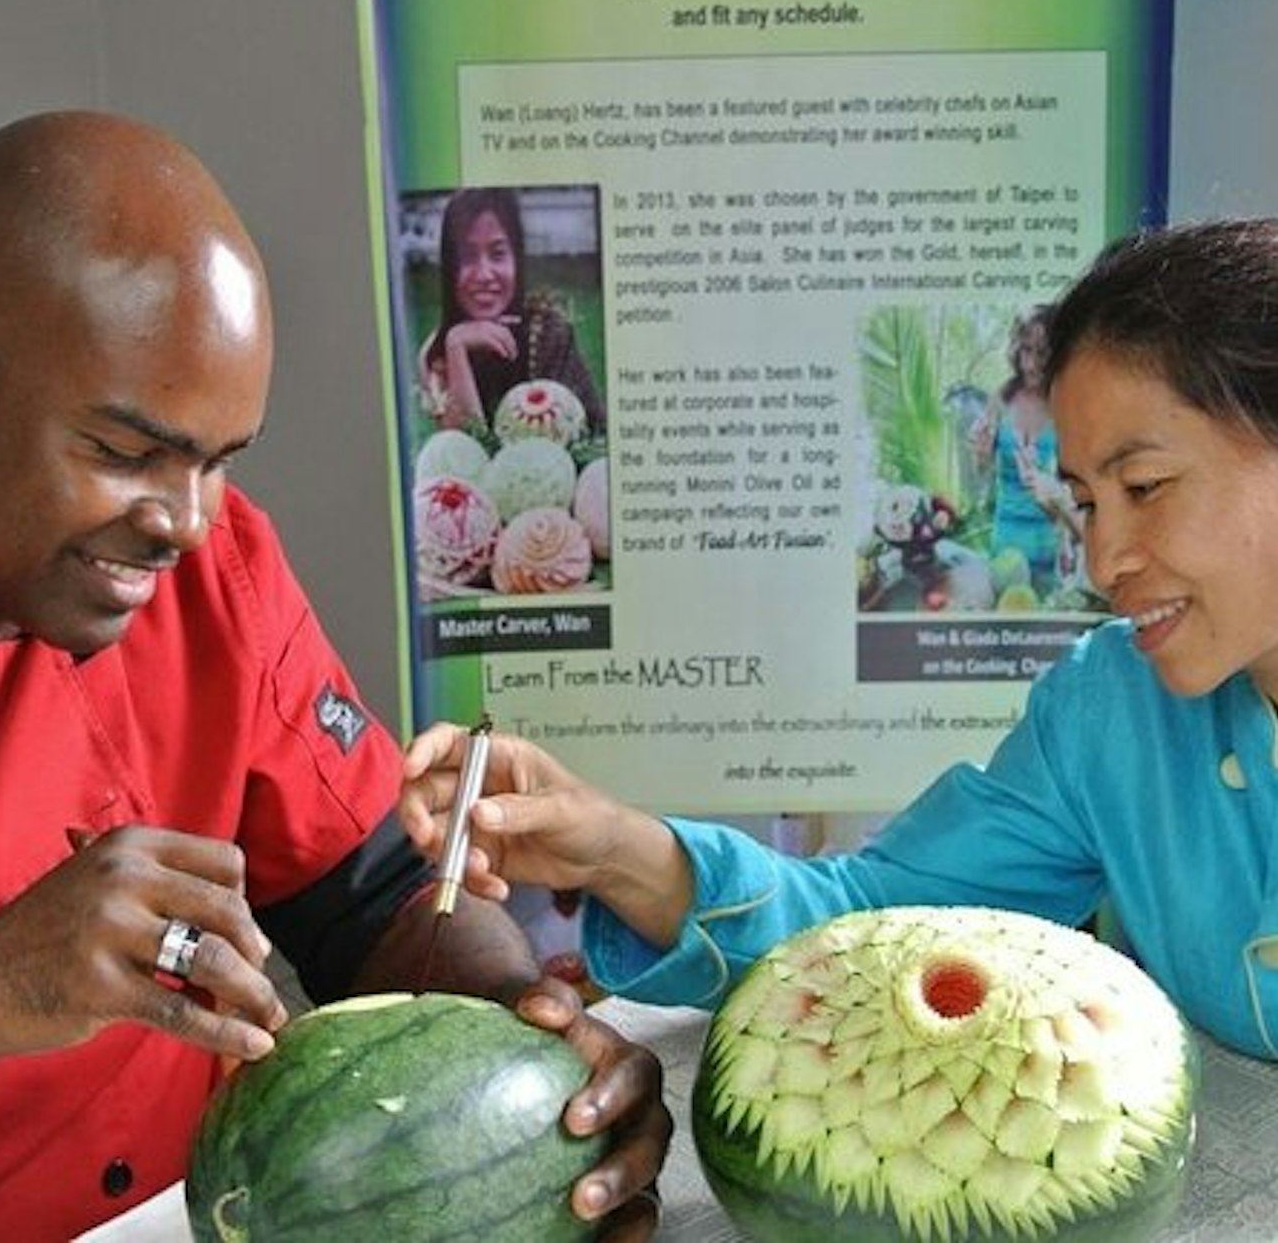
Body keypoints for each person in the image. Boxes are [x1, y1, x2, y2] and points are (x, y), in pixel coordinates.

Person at [0, 111, 666, 1240]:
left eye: (217, 461)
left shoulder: (218, 571)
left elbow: (379, 898)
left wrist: (525, 1042)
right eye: (122, 453)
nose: (187, 523)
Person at [403, 219, 1278, 1063]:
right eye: (1086, 503)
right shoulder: (1110, 710)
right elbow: (876, 923)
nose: (1103, 559)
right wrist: (615, 848)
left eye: (1147, 485)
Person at [417, 186, 606, 433]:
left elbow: (578, 440)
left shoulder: (547, 333)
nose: (484, 275)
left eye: (497, 254)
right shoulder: (435, 354)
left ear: (516, 259)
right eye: (467, 257)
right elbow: (465, 450)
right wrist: (457, 346)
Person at [969, 303, 1081, 593]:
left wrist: (1070, 538)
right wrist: (980, 457)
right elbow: (982, 485)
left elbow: (1079, 489)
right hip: (1006, 541)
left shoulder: (1068, 403)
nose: (1031, 363)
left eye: (1041, 353)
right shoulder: (1001, 399)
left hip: (1052, 543)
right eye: (1025, 351)